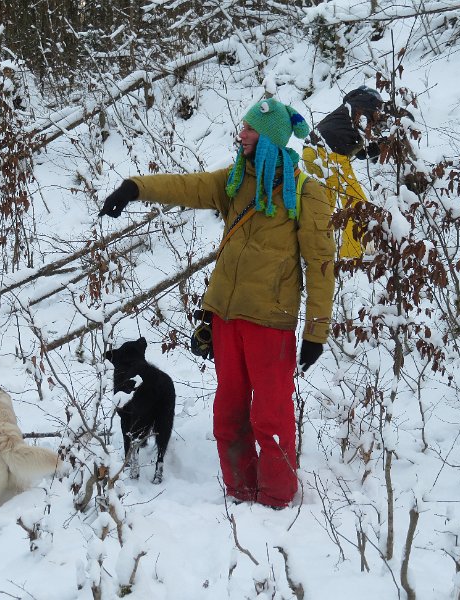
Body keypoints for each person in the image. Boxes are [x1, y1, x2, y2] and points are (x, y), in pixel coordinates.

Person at [98, 97, 335, 508]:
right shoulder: (235, 182)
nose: (241, 134)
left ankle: (276, 498)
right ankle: (240, 493)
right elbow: (187, 186)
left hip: (270, 323)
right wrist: (135, 187)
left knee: (270, 418)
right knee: (227, 416)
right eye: (243, 127)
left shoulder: (305, 193)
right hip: (226, 319)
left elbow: (321, 265)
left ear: (272, 139)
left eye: (250, 129)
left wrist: (316, 331)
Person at [303, 85, 384, 258]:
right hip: (330, 152)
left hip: (311, 151)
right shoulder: (364, 104)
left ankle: (315, 250)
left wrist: (380, 146)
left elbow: (361, 153)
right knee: (355, 204)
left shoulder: (346, 114)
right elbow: (364, 132)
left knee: (325, 204)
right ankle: (350, 257)